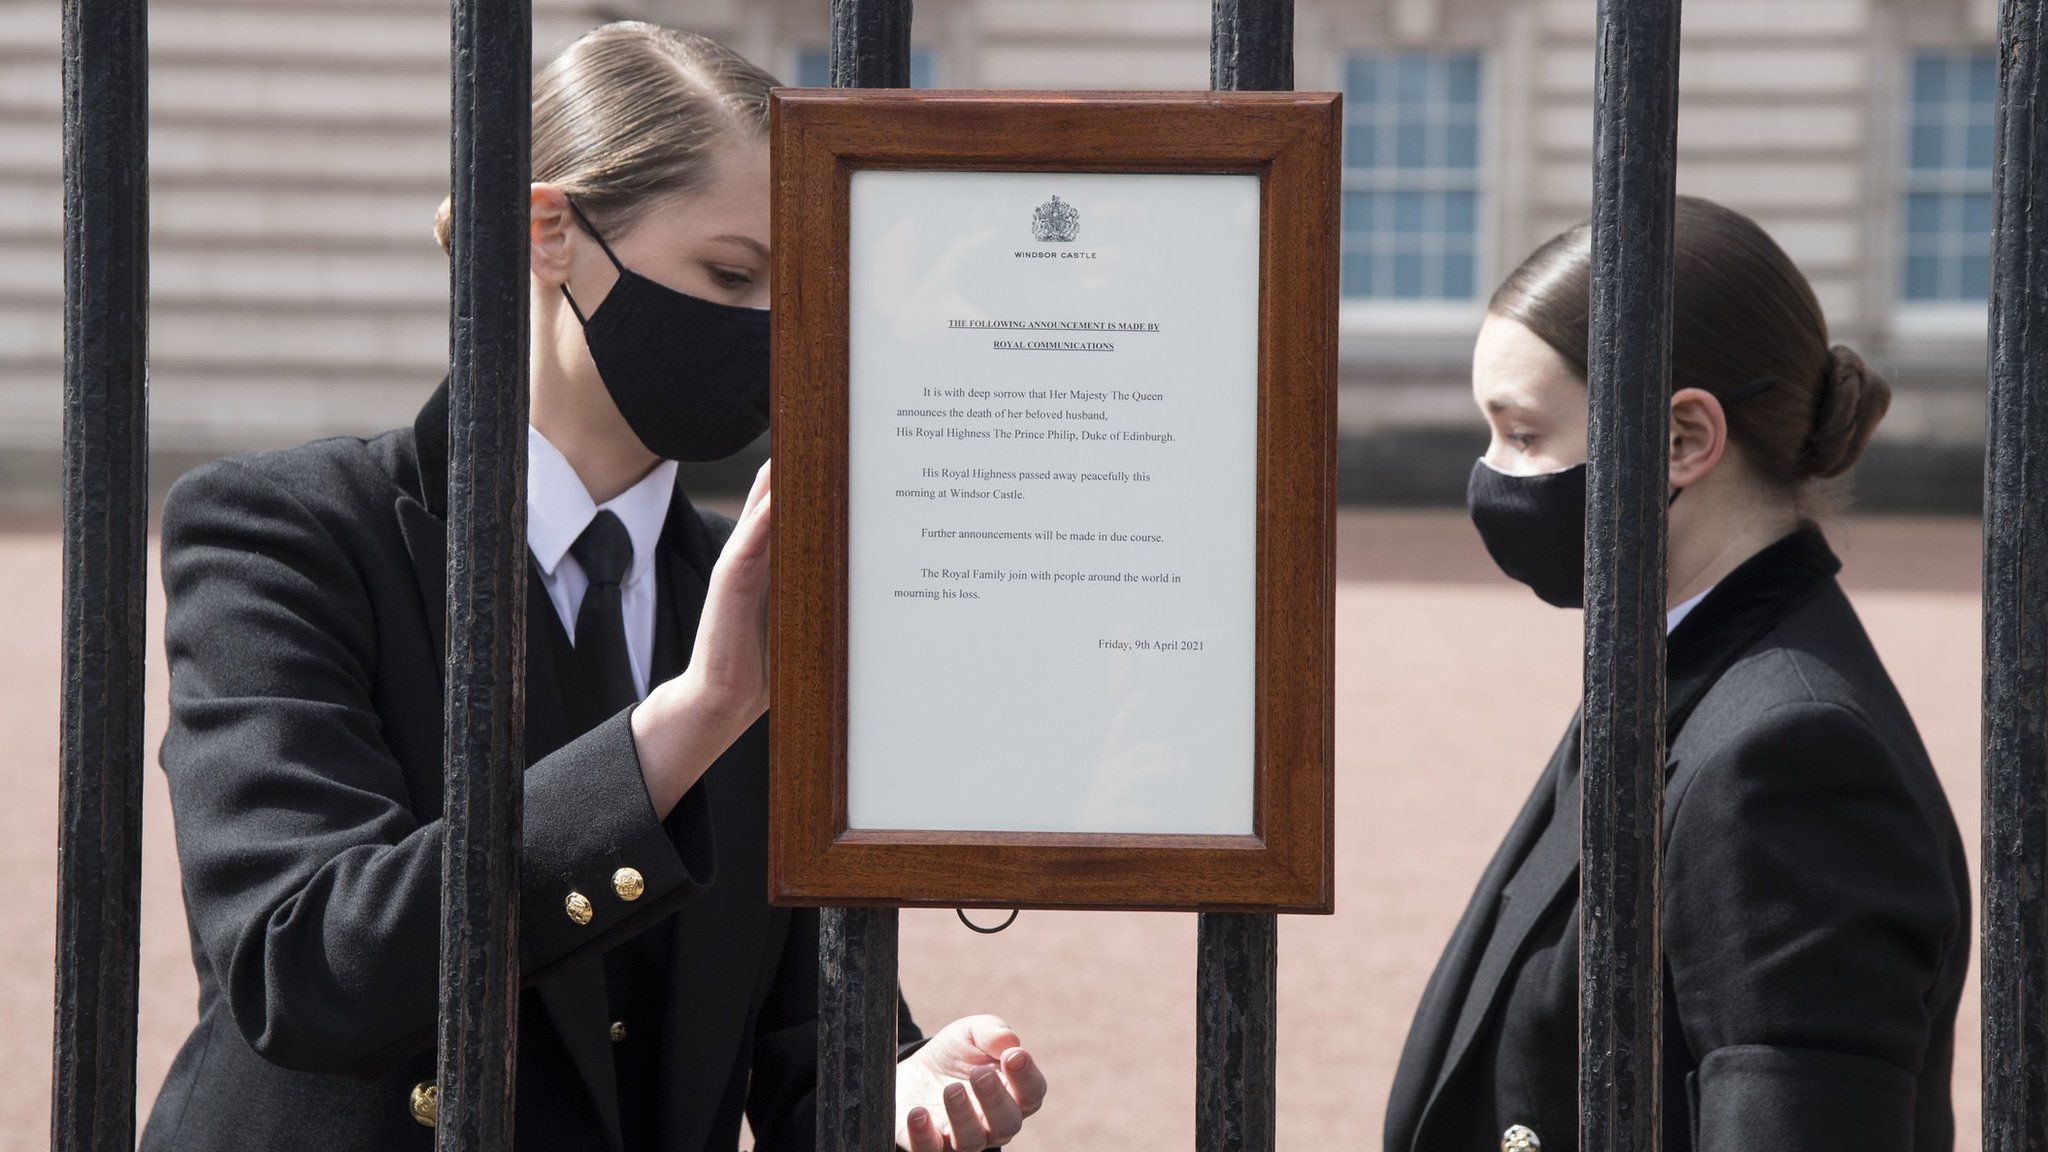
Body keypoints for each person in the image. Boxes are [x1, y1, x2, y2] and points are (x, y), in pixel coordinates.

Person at [142, 23, 1046, 1152]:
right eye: (730, 273)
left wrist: (898, 1086)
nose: (770, 328)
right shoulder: (290, 531)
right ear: (550, 231)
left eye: (800, 286)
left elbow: (796, 1033)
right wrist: (688, 721)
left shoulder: (762, 581)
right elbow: (302, 962)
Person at [1385, 196, 1970, 1152]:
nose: (1491, 474)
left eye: (1524, 434)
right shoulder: (1684, 665)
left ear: (1684, 439)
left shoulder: (1789, 753)